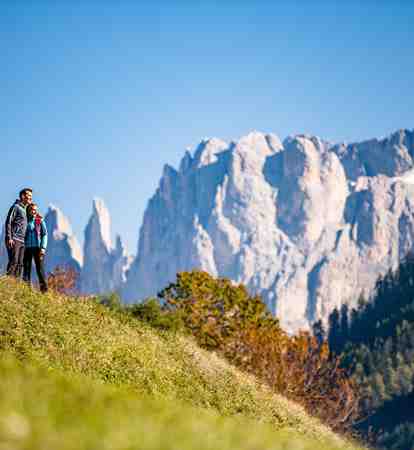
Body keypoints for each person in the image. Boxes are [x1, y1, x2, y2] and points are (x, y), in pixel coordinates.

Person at [5, 188, 32, 278]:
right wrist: (9, 237)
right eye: (28, 195)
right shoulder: (16, 207)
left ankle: (16, 285)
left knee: (20, 264)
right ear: (22, 196)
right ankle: (9, 283)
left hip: (23, 241)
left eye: (31, 196)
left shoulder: (25, 210)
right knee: (14, 261)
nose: (30, 198)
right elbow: (8, 221)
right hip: (14, 239)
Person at [23, 203, 48, 293]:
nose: (34, 211)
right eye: (32, 209)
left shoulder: (39, 220)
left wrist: (43, 248)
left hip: (38, 248)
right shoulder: (25, 221)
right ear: (28, 211)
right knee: (26, 268)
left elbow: (44, 234)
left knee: (40, 269)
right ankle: (26, 288)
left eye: (35, 209)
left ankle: (44, 290)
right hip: (27, 248)